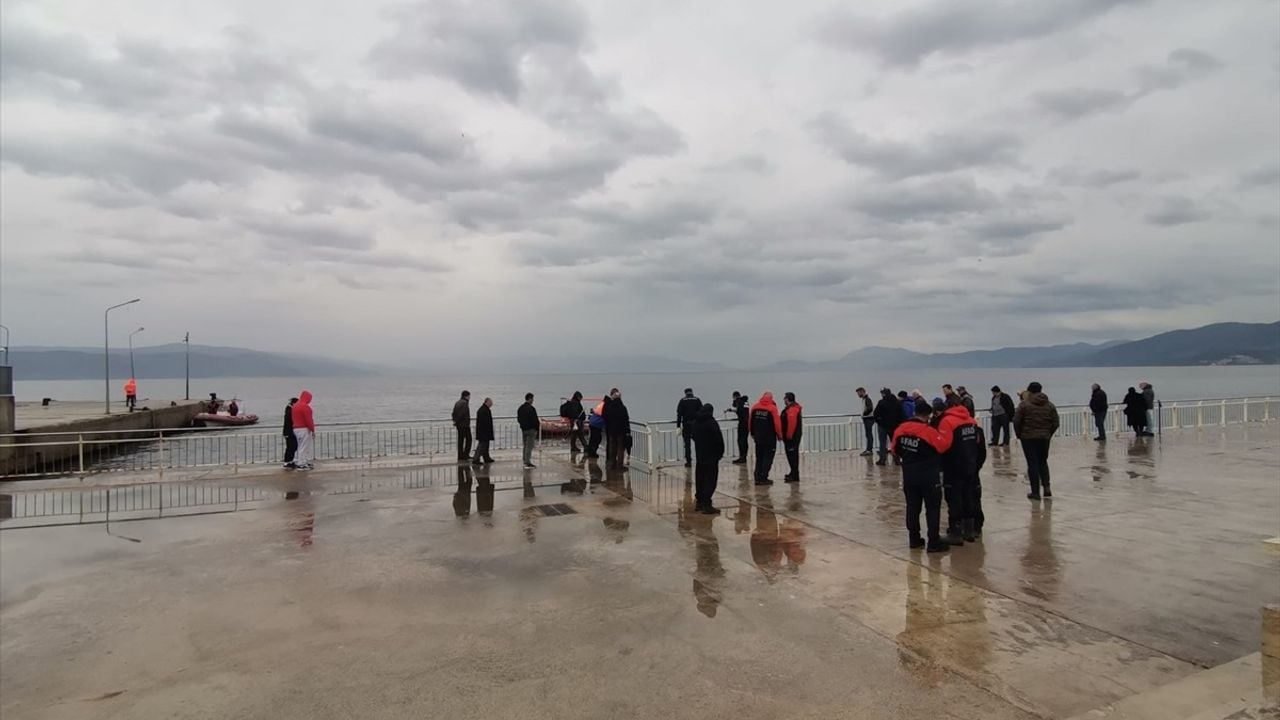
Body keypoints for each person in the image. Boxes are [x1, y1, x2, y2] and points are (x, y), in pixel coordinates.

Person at [892, 401, 953, 553]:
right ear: (928, 415)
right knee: (932, 508)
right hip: (928, 476)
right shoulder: (928, 432)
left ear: (915, 412)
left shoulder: (901, 429)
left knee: (912, 508)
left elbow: (894, 449)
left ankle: (914, 539)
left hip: (909, 476)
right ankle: (933, 542)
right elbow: (944, 446)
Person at [938, 396, 980, 544]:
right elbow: (977, 442)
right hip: (970, 464)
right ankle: (969, 531)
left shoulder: (947, 421)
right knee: (968, 496)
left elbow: (943, 445)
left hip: (953, 466)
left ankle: (956, 533)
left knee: (953, 498)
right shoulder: (971, 420)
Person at [1013, 381, 1059, 500]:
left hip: (1028, 438)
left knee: (1032, 463)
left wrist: (1019, 435)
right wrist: (1049, 433)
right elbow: (1056, 422)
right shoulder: (1049, 405)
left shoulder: (1024, 405)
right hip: (1044, 438)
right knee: (1043, 462)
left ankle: (1035, 492)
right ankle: (1047, 487)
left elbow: (1016, 421)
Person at [691, 403, 725, 514]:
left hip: (700, 456)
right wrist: (719, 453)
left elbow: (693, 436)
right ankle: (706, 504)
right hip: (711, 457)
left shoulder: (696, 423)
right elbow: (718, 440)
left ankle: (699, 502)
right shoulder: (711, 423)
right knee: (710, 481)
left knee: (700, 480)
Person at [749, 391, 782, 485]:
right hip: (769, 438)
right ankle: (763, 478)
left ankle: (757, 477)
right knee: (768, 458)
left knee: (759, 458)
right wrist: (779, 435)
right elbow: (777, 424)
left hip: (758, 438)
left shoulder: (755, 407)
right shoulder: (772, 408)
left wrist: (752, 432)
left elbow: (750, 421)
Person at [873, 388, 904, 466]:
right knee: (894, 443)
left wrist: (879, 422)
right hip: (894, 426)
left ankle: (882, 460)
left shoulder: (881, 403)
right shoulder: (897, 402)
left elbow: (875, 414)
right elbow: (901, 414)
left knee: (882, 443)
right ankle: (897, 459)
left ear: (884, 394)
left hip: (883, 426)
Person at [603, 388, 631, 470]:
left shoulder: (609, 407)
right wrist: (627, 431)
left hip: (611, 431)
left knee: (612, 448)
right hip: (620, 432)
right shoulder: (622, 408)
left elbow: (606, 417)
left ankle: (612, 464)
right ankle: (620, 466)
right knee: (620, 449)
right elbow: (626, 420)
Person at [676, 388, 703, 468]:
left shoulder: (682, 401)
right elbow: (701, 412)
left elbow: (679, 414)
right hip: (696, 425)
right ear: (692, 392)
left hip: (686, 425)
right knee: (699, 443)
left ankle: (689, 462)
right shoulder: (697, 400)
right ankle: (700, 459)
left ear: (685, 393)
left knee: (687, 445)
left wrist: (678, 426)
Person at [781, 392, 803, 483]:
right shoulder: (792, 408)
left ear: (788, 399)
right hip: (792, 436)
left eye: (785, 398)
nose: (783, 400)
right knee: (791, 455)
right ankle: (793, 473)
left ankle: (794, 475)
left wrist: (789, 435)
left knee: (792, 455)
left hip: (792, 437)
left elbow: (792, 423)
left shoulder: (792, 409)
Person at [291, 390, 316, 471]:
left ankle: (300, 461)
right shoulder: (305, 407)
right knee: (304, 447)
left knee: (299, 446)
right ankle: (302, 464)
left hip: (296, 428)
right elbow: (309, 420)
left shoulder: (295, 406)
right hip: (304, 429)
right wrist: (312, 430)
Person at [517, 393, 538, 469]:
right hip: (531, 429)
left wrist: (522, 426)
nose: (533, 400)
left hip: (524, 429)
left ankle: (524, 460)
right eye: (532, 399)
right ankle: (527, 462)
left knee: (525, 446)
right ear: (530, 399)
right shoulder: (531, 409)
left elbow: (518, 419)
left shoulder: (520, 408)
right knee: (529, 446)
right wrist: (536, 428)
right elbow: (535, 420)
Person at [728, 391, 750, 465]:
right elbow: (742, 411)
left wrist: (734, 406)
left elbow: (739, 411)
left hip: (742, 423)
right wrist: (733, 410)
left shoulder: (738, 401)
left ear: (734, 396)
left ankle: (742, 457)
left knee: (740, 440)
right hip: (747, 423)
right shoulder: (745, 402)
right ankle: (744, 456)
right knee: (745, 440)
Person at [473, 397, 496, 464]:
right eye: (490, 402)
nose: (491, 404)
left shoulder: (483, 409)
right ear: (487, 402)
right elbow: (485, 422)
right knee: (482, 445)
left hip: (483, 431)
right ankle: (476, 459)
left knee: (485, 445)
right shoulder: (484, 410)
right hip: (484, 431)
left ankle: (486, 457)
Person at [452, 391, 472, 462]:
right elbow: (462, 414)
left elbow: (453, 413)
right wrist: (458, 421)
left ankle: (460, 455)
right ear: (466, 396)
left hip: (459, 425)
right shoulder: (464, 403)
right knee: (469, 439)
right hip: (464, 425)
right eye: (469, 396)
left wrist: (455, 421)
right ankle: (466, 455)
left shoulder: (457, 403)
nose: (470, 398)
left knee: (460, 440)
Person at [856, 387, 875, 456]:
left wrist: (864, 414)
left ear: (862, 392)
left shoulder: (867, 399)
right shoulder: (864, 399)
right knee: (868, 434)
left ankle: (869, 450)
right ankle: (868, 449)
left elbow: (870, 408)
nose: (858, 394)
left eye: (858, 393)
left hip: (869, 418)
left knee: (869, 435)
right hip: (867, 418)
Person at [282, 397, 298, 468]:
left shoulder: (289, 409)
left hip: (289, 431)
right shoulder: (289, 410)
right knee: (291, 446)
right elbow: (289, 422)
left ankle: (290, 460)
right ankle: (287, 462)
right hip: (289, 432)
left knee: (293, 446)